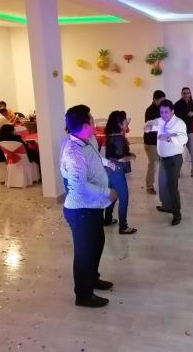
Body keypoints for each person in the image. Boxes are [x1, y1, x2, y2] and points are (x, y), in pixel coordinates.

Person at [60, 104, 118, 308]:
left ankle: (92, 278)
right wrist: (107, 193)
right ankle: (83, 295)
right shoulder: (73, 152)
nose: (95, 122)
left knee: (98, 243)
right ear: (85, 125)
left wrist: (107, 163)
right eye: (92, 120)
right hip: (80, 210)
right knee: (84, 252)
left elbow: (93, 157)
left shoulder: (87, 140)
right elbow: (79, 186)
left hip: (93, 207)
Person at [144, 100, 188, 226]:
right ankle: (167, 206)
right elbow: (153, 125)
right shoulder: (162, 120)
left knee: (172, 187)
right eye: (161, 112)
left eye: (166, 112)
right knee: (163, 184)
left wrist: (168, 137)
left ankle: (177, 214)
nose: (163, 114)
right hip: (163, 158)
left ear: (172, 111)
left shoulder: (179, 123)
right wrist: (148, 127)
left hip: (174, 159)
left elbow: (183, 139)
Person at [104, 111, 137, 235]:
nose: (126, 123)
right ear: (119, 124)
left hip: (110, 170)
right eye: (124, 121)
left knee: (113, 194)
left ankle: (107, 219)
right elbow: (120, 158)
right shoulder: (118, 138)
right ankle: (123, 226)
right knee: (124, 198)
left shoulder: (111, 135)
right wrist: (132, 157)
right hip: (116, 170)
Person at [174, 87, 193, 178]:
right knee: (178, 154)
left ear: (190, 94)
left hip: (190, 132)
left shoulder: (191, 103)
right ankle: (176, 173)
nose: (186, 95)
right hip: (180, 133)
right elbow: (176, 118)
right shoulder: (177, 104)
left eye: (188, 93)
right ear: (182, 94)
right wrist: (186, 115)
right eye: (184, 93)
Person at [144, 90, 166, 195]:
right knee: (152, 164)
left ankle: (164, 183)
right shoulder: (150, 111)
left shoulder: (161, 109)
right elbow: (150, 127)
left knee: (162, 164)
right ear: (155, 100)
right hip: (151, 142)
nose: (163, 103)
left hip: (159, 141)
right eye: (161, 101)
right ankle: (149, 186)